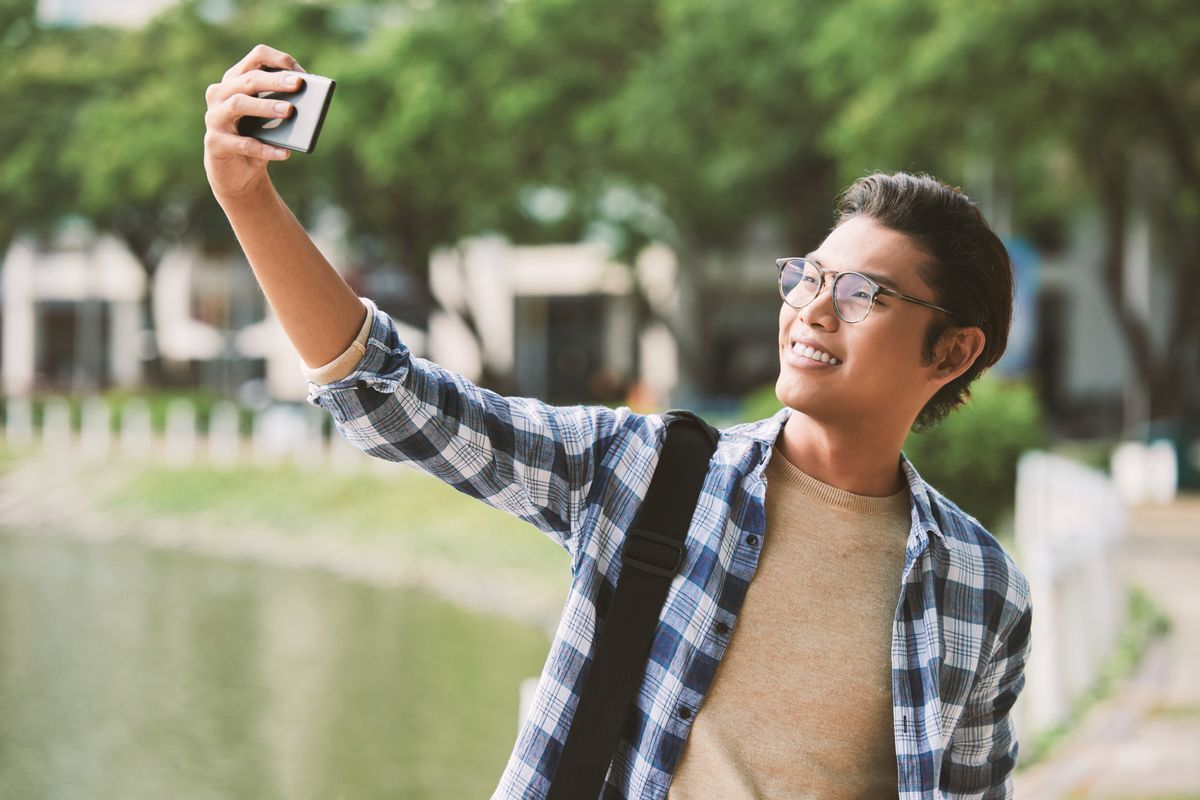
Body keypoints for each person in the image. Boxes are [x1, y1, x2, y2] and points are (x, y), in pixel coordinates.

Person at [204, 44, 1033, 800]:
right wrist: (248, 201)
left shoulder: (980, 589)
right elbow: (389, 398)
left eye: (863, 295)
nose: (813, 310)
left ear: (951, 353)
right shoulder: (649, 472)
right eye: (808, 276)